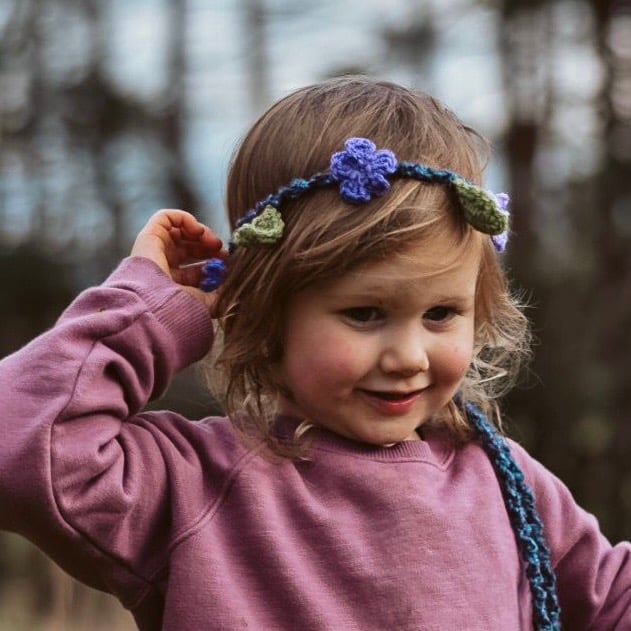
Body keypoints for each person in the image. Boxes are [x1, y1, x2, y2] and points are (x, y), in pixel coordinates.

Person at [0, 77, 629, 631]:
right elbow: (20, 444)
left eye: (441, 313)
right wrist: (149, 310)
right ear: (268, 316)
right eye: (364, 314)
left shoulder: (505, 483)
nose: (409, 356)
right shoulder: (194, 486)